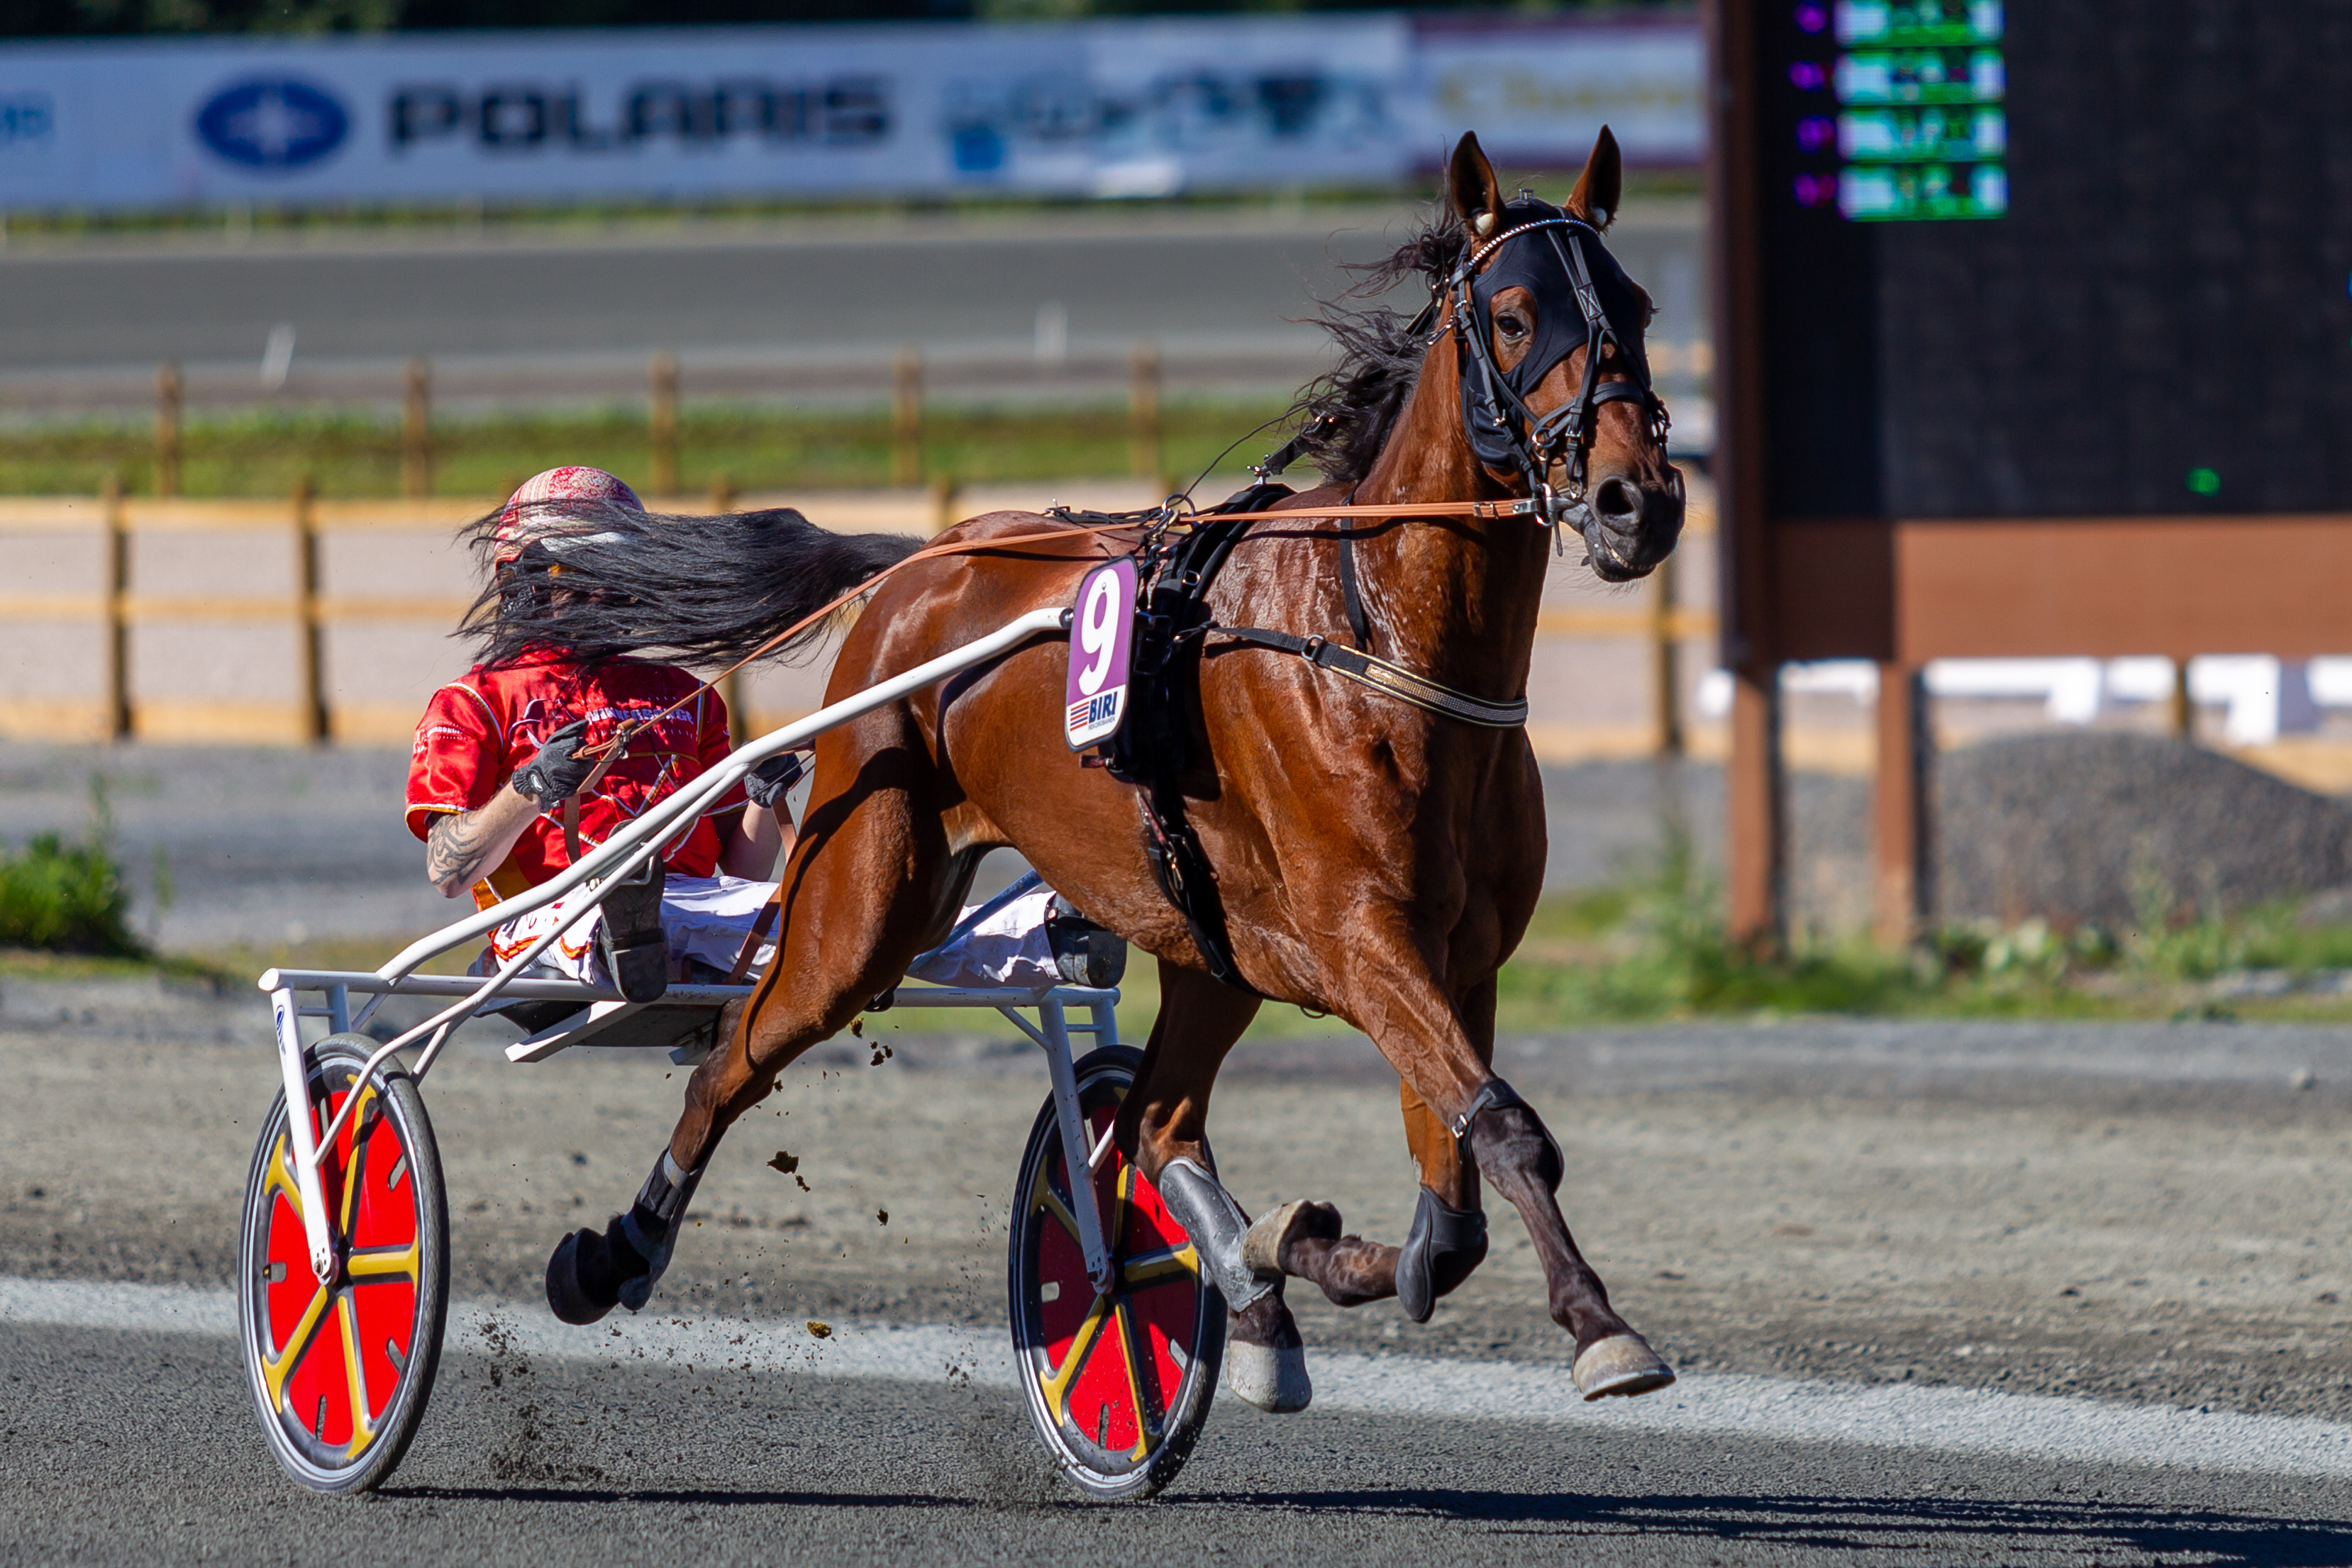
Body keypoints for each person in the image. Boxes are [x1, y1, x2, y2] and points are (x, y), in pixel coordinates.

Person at [406, 466, 1120, 1025]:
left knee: (854, 913)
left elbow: (738, 870)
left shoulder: (682, 697)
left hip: (701, 915)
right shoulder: (474, 702)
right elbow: (448, 870)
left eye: (614, 578)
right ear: (525, 580)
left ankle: (1048, 936)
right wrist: (530, 788)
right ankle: (628, 924)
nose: (600, 596)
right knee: (730, 918)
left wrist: (760, 797)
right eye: (577, 577)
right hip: (546, 928)